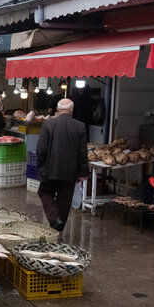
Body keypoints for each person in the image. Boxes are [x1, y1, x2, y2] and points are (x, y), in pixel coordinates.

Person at [36, 98, 88, 232]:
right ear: (71, 110)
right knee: (64, 201)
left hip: (50, 169)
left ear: (58, 110)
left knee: (44, 192)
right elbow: (82, 152)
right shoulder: (80, 126)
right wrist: (83, 172)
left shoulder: (48, 124)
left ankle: (54, 219)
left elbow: (41, 149)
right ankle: (58, 229)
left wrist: (39, 164)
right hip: (70, 171)